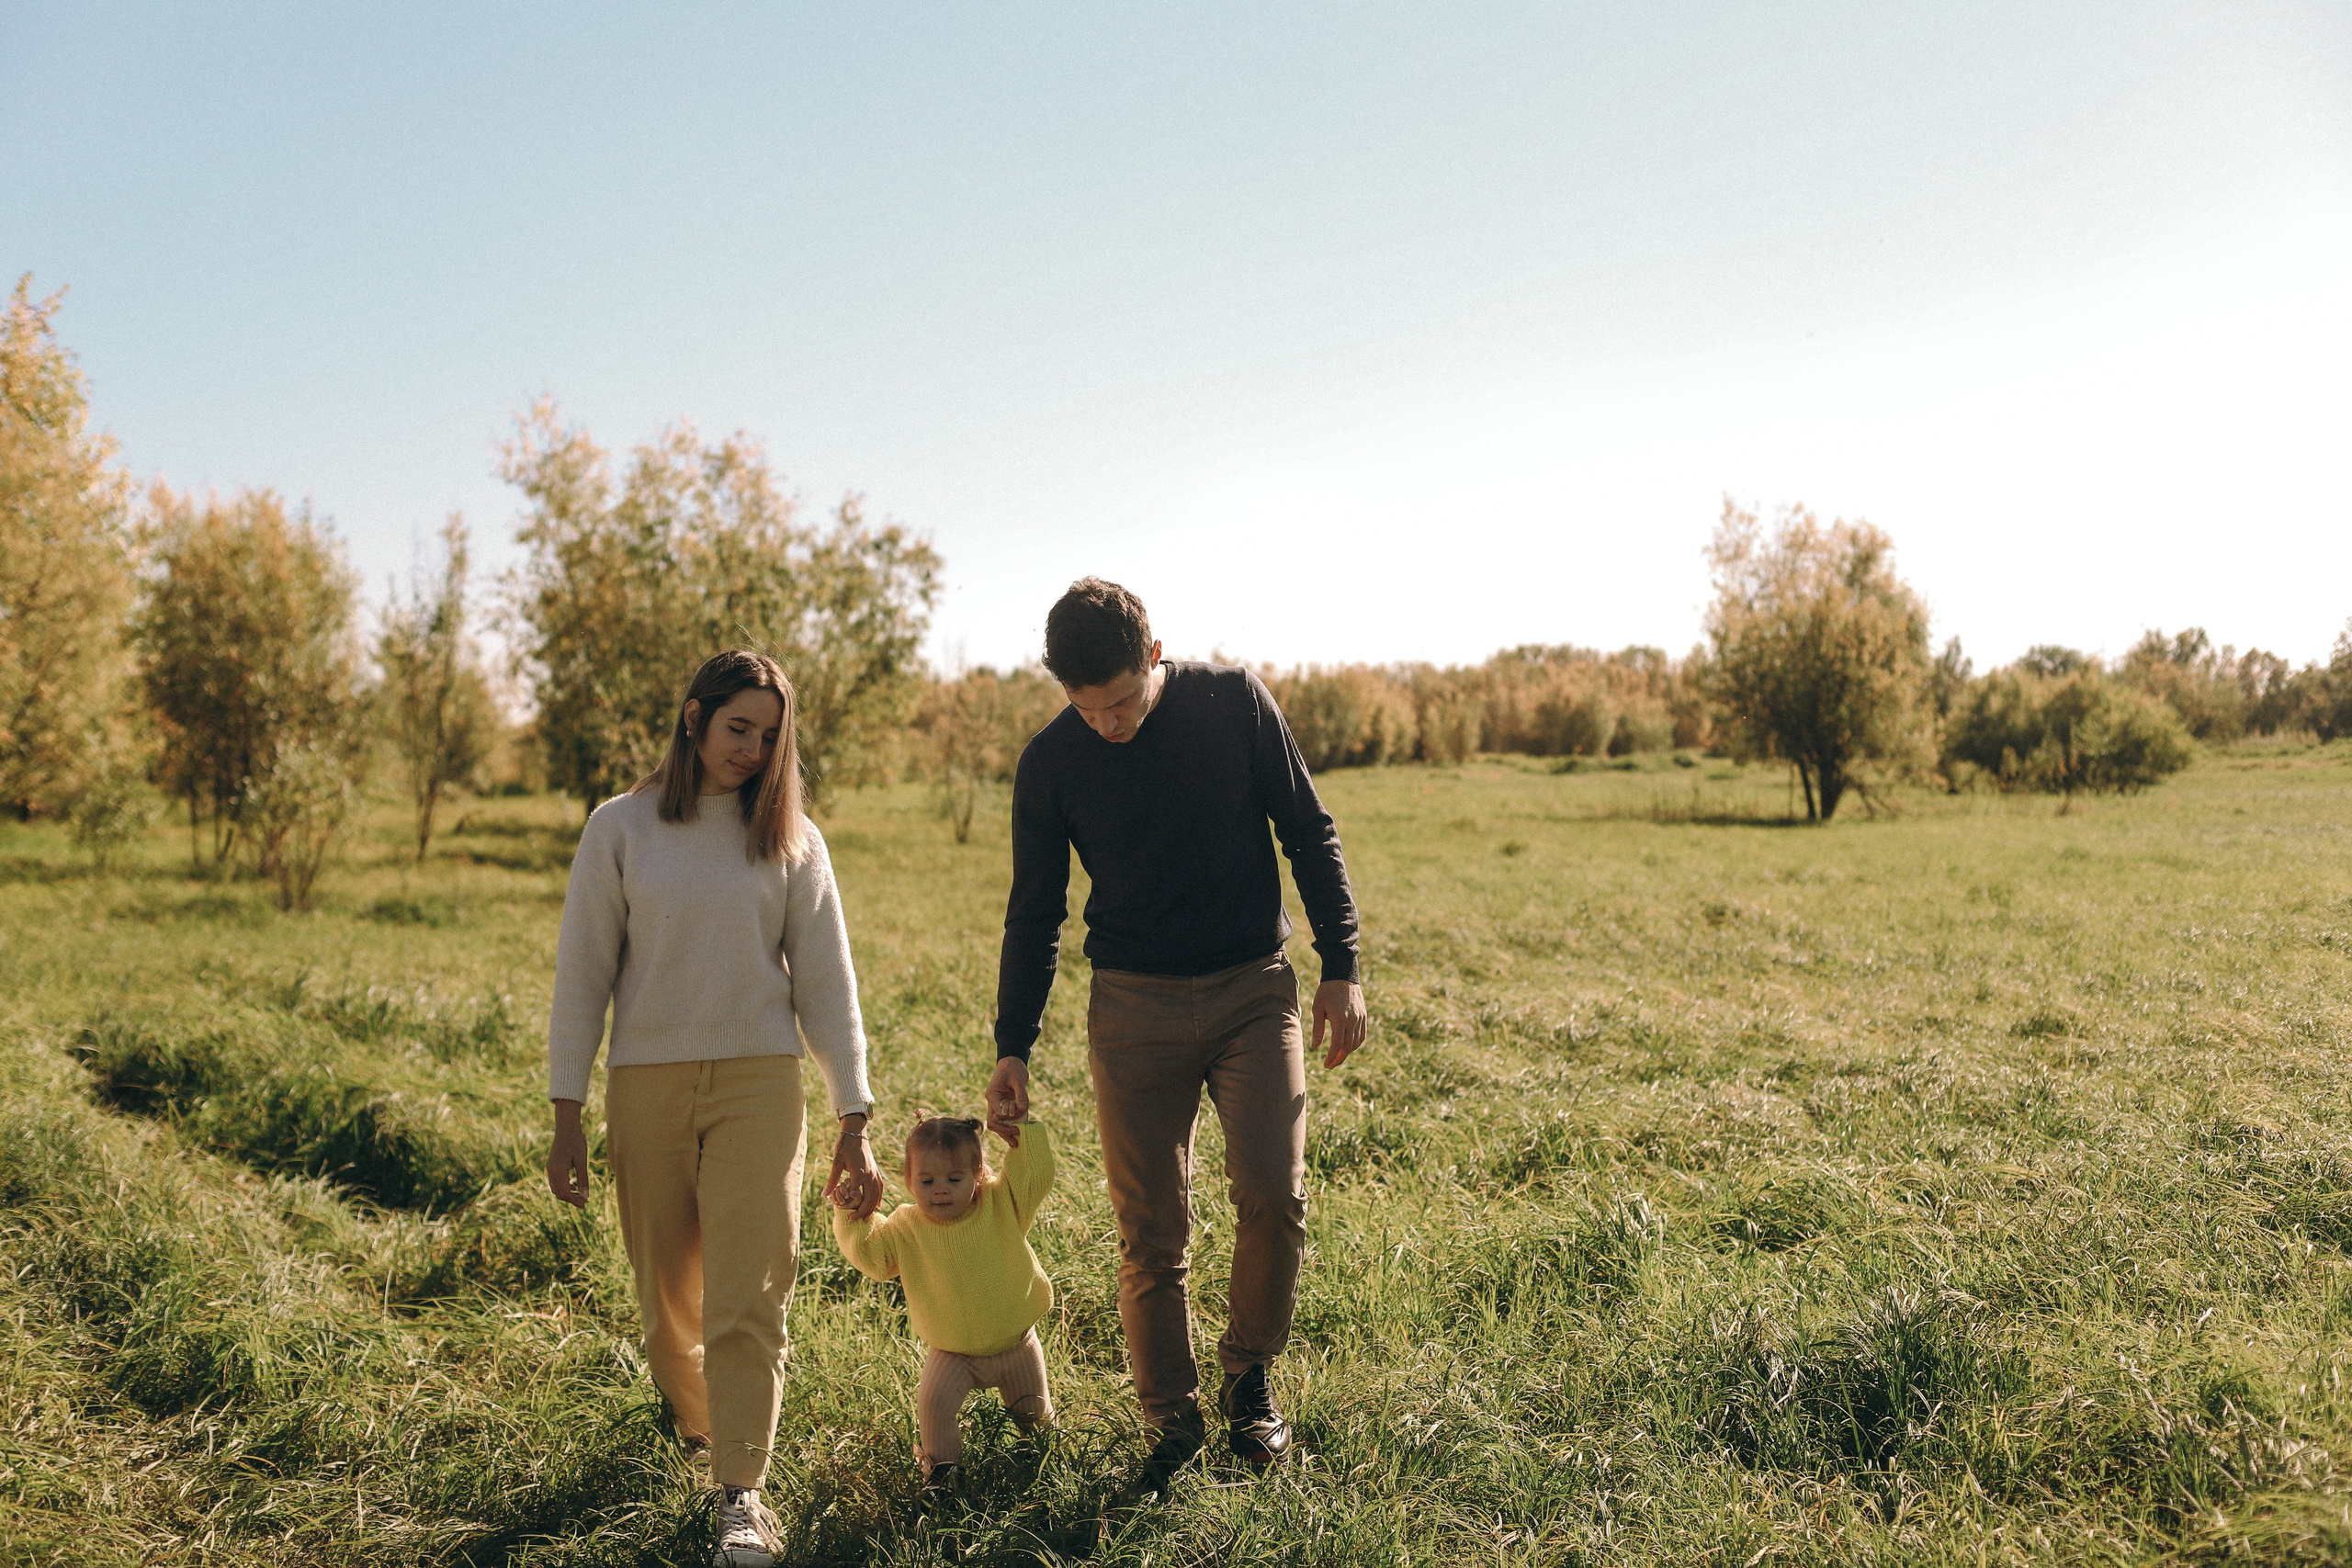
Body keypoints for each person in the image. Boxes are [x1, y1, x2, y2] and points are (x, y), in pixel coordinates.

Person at [983, 578, 1368, 1496]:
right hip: (1132, 1010)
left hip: (1252, 991)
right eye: (1088, 709)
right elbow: (1033, 915)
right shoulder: (1050, 763)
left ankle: (1246, 1376)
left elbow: (1309, 835)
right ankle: (1171, 1419)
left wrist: (1342, 965)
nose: (1109, 724)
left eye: (1122, 701)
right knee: (1151, 1231)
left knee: (1273, 1193)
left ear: (1154, 656)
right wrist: (1012, 1045)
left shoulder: (1230, 703)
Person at [543, 649, 885, 1568]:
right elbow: (582, 976)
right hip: (645, 1083)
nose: (752, 750)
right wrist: (566, 1109)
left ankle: (742, 1491)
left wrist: (854, 1115)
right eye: (739, 728)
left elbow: (828, 987)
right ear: (693, 719)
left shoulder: (791, 840)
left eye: (769, 737)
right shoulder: (620, 829)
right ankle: (702, 1433)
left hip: (758, 1084)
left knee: (752, 1291)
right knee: (668, 1305)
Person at [831, 1114, 1057, 1503]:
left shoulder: (1001, 1204)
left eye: (955, 1179)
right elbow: (874, 1257)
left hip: (1016, 1343)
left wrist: (1024, 1132)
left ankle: (1044, 1464)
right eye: (927, 1181)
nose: (940, 1191)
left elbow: (1035, 1175)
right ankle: (942, 1475)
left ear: (979, 1174)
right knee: (934, 1408)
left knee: (1034, 1417)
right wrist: (854, 1215)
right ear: (908, 1179)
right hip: (953, 1352)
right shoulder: (906, 1226)